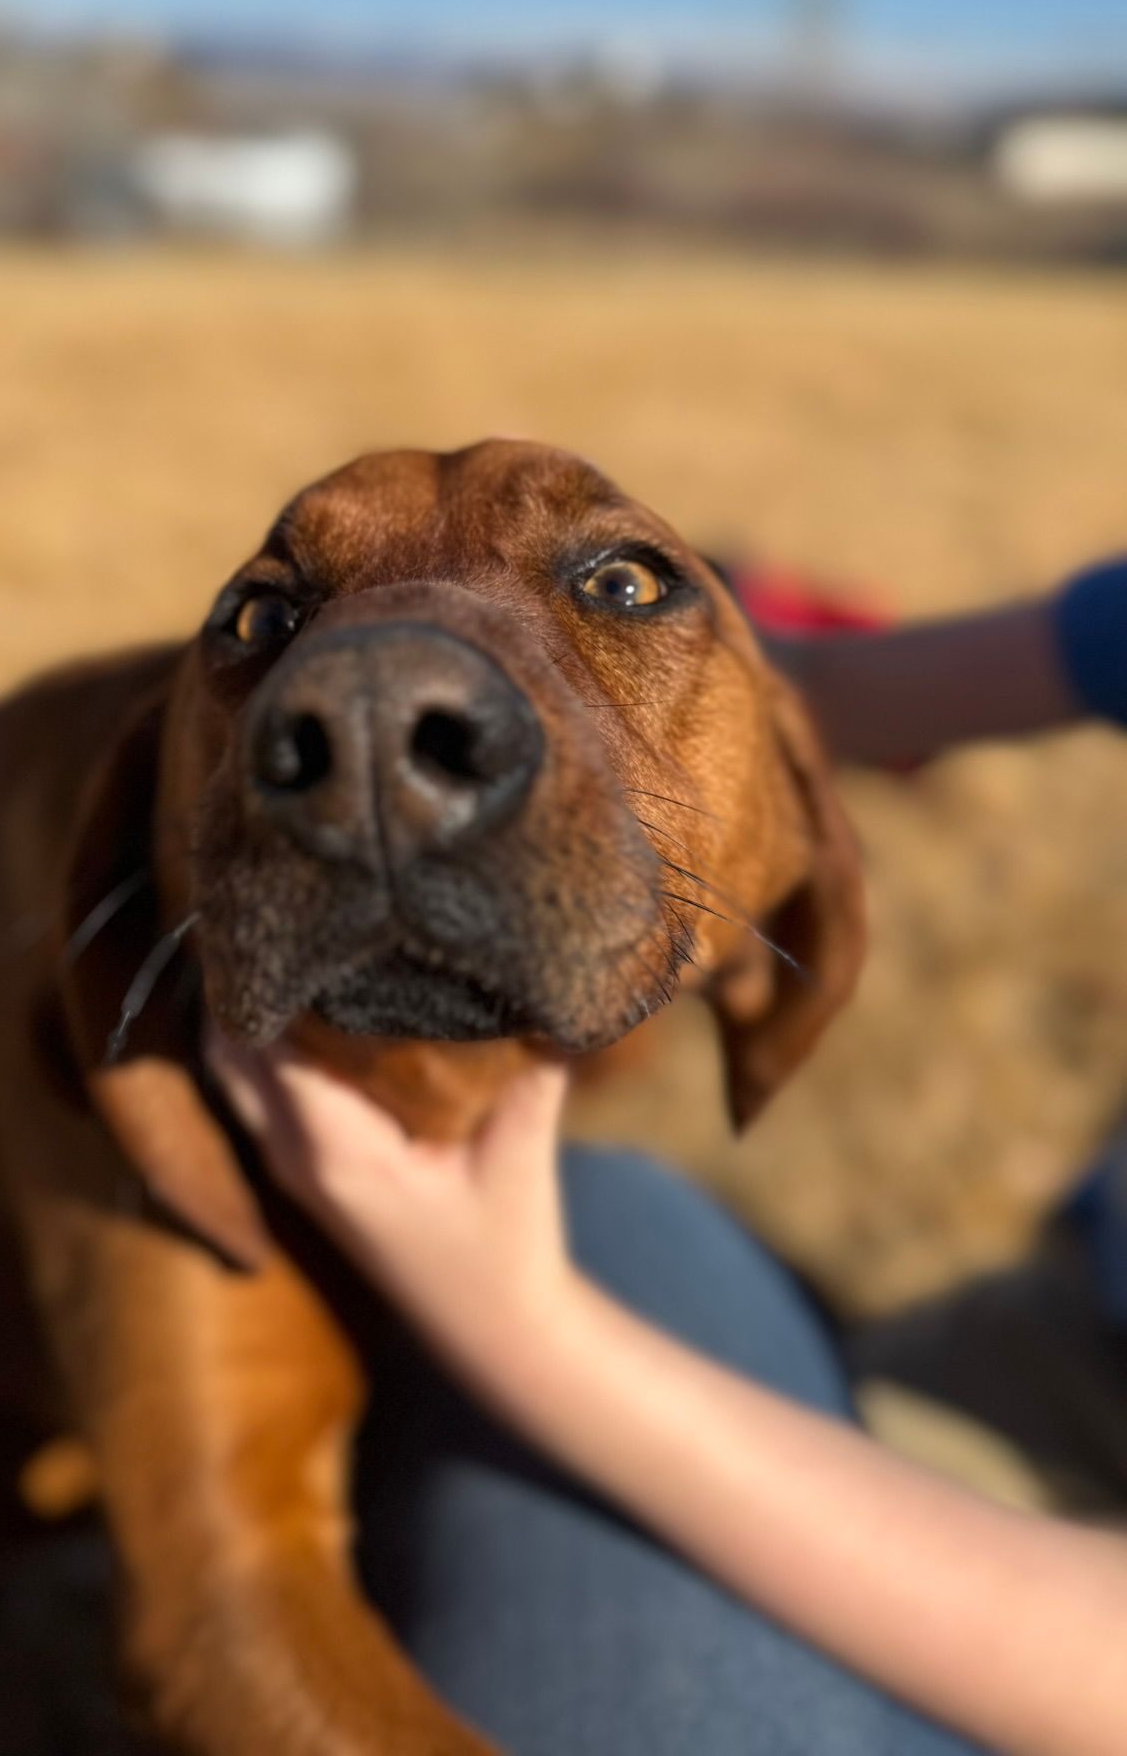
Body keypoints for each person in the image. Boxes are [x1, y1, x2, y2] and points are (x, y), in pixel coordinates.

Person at [206, 555, 1127, 1756]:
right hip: (1060, 1365)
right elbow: (816, 693)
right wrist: (577, 622)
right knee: (609, 1208)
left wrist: (529, 1329)